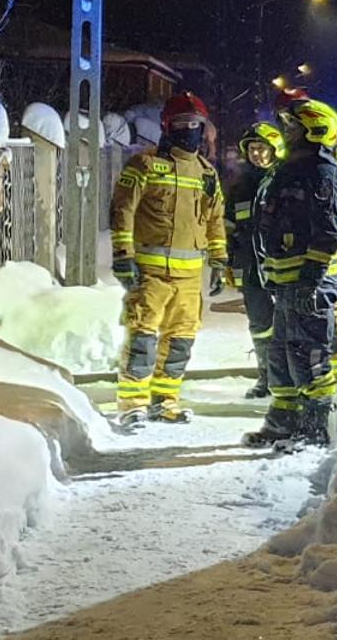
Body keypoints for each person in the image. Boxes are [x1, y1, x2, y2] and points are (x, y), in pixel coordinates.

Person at [108, 92, 226, 428]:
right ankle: (132, 405)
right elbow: (122, 211)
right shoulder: (144, 165)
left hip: (190, 279)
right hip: (150, 274)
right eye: (181, 124)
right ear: (167, 127)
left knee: (180, 344)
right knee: (143, 339)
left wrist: (218, 261)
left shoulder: (207, 174)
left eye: (195, 124)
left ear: (203, 129)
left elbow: (215, 220)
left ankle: (165, 401)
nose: (188, 130)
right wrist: (122, 256)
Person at [245, 99, 337, 448]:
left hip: (310, 283)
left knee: (310, 353)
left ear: (314, 129)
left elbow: (328, 232)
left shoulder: (322, 172)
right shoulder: (287, 170)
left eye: (292, 127)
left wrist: (310, 279)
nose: (286, 133)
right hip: (286, 282)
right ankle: (283, 421)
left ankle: (314, 428)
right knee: (281, 351)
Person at [276, 89, 337, 389]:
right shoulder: (292, 155)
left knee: (334, 309)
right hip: (306, 246)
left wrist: (324, 195)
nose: (288, 129)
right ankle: (322, 379)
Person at [224, 122, 284, 399]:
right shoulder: (240, 188)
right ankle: (266, 377)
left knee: (288, 322)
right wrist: (226, 260)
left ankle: (287, 378)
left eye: (263, 149)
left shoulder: (286, 181)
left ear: (275, 150)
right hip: (250, 266)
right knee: (260, 325)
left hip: (282, 265)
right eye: (253, 149)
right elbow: (228, 227)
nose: (257, 154)